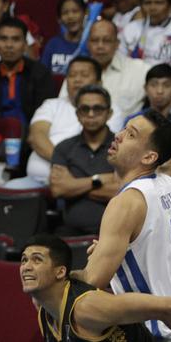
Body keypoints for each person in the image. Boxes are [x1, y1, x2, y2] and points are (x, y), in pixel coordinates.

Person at [82, 110, 171, 340]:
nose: (119, 136)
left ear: (149, 157)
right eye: (124, 128)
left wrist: (63, 277)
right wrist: (117, 258)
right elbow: (159, 262)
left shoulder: (126, 203)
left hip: (162, 333)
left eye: (131, 134)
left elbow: (91, 284)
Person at [23, 234, 171, 342]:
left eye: (37, 259)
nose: (26, 266)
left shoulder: (88, 307)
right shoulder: (43, 307)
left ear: (60, 272)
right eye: (24, 260)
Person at [9, 56, 102, 190]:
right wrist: (65, 162)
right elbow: (36, 137)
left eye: (84, 75)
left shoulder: (110, 111)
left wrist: (74, 171)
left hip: (79, 184)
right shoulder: (51, 104)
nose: (77, 79)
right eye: (72, 75)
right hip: (34, 181)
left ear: (98, 82)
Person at [47, 85, 120, 236]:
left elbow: (121, 191)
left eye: (98, 109)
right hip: (70, 231)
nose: (91, 114)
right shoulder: (64, 148)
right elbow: (58, 189)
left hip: (115, 231)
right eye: (84, 109)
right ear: (77, 114)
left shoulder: (122, 146)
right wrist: (97, 180)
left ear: (109, 113)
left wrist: (73, 185)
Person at [0, 17, 58, 126]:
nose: (9, 45)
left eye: (15, 39)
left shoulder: (41, 74)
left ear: (25, 44)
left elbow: (48, 112)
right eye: (3, 39)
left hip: (31, 135)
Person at [125, 65, 171, 159]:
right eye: (154, 85)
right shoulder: (133, 121)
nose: (159, 91)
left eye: (167, 85)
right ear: (145, 88)